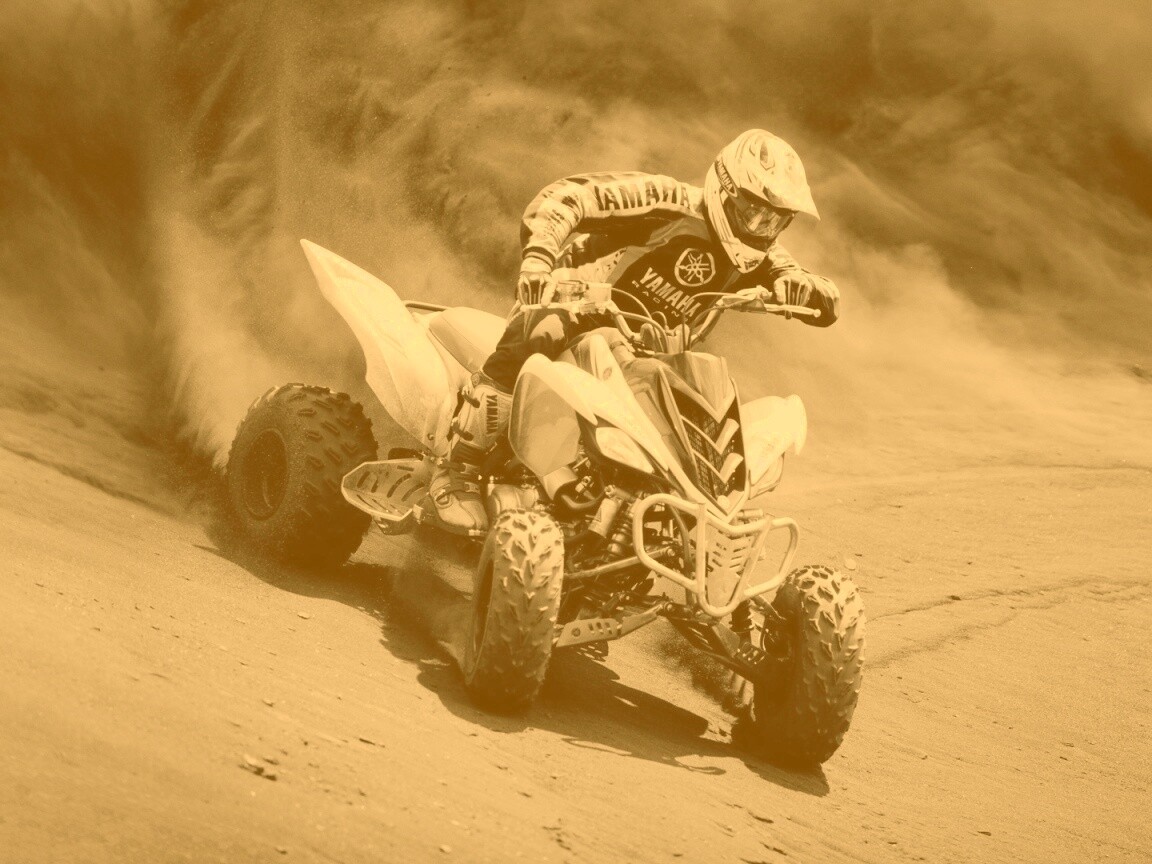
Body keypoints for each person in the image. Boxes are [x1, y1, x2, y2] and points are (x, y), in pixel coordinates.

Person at [429, 128, 841, 534]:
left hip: (648, 354)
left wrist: (803, 287)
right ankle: (458, 467)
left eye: (774, 221)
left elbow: (826, 301)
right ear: (725, 189)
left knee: (699, 397)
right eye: (752, 212)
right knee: (541, 332)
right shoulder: (667, 202)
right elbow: (566, 196)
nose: (760, 227)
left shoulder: (765, 256)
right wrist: (539, 259)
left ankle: (670, 518)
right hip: (574, 312)